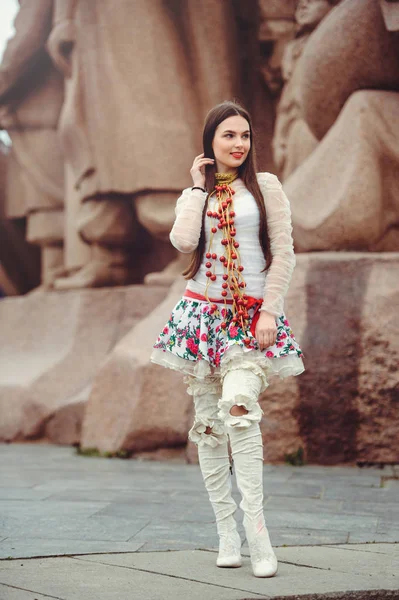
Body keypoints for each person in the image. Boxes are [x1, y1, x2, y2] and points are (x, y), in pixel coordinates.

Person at [150, 101, 305, 578]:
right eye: (229, 136)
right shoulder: (194, 195)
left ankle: (258, 534)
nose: (240, 144)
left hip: (251, 320)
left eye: (245, 135)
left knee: (239, 409)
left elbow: (284, 253)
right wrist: (197, 187)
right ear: (210, 143)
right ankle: (225, 531)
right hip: (201, 320)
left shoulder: (267, 188)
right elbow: (181, 242)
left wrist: (269, 313)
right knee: (211, 427)